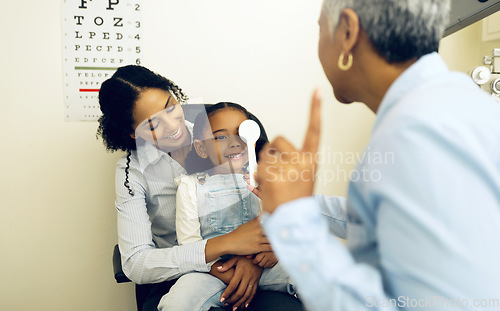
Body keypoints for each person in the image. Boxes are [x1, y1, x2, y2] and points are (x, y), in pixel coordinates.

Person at [254, 0, 500, 310]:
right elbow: (394, 224)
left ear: (347, 32)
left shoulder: (415, 134)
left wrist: (295, 225)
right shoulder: (457, 102)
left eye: (320, 29)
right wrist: (296, 203)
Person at [97, 65, 304, 311]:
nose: (173, 126)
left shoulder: (223, 126)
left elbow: (276, 197)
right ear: (133, 133)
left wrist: (255, 257)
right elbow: (135, 263)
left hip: (258, 260)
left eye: (170, 107)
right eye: (153, 125)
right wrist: (223, 251)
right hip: (183, 274)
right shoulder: (132, 172)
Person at [158, 103, 296, 310]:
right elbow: (190, 246)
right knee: (176, 303)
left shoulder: (267, 179)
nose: (234, 143)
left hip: (265, 264)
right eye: (221, 137)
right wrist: (227, 273)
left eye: (241, 134)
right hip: (211, 272)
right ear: (201, 148)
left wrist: (275, 250)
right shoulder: (189, 187)